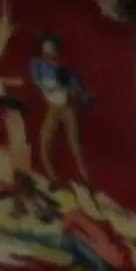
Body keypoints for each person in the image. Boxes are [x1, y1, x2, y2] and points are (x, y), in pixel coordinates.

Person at [28, 33, 92, 182]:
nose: (47, 52)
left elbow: (74, 89)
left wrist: (77, 91)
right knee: (44, 142)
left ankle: (85, 176)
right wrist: (52, 85)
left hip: (66, 107)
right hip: (53, 108)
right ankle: (53, 178)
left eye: (51, 48)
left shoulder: (64, 70)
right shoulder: (37, 64)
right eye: (45, 48)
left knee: (74, 143)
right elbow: (38, 82)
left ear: (55, 50)